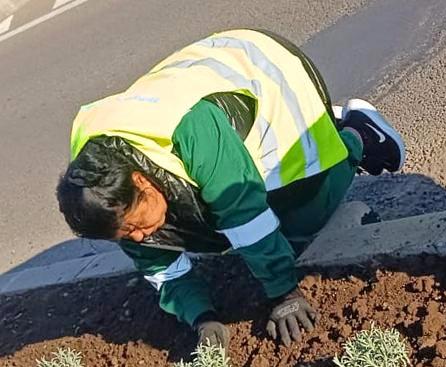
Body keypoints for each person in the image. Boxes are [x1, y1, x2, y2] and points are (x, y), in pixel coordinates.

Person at [57, 29, 405, 348]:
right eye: (125, 234)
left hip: (271, 81)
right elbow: (159, 266)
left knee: (298, 221)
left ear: (141, 181)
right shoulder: (101, 186)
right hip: (211, 107)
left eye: (134, 226)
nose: (135, 237)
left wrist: (284, 293)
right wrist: (201, 317)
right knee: (221, 232)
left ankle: (357, 135)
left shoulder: (190, 132)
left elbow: (243, 213)